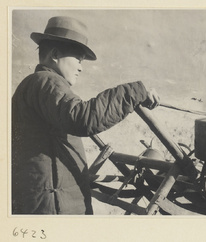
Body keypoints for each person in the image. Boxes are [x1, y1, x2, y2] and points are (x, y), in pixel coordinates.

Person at [12, 16, 160, 215]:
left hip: (45, 201)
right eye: (78, 60)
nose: (81, 67)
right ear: (55, 54)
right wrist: (135, 92)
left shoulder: (36, 85)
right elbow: (82, 117)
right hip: (54, 208)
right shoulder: (46, 82)